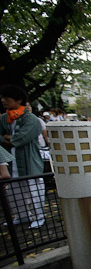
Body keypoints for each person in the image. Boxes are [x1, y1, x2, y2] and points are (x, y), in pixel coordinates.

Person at [0, 85, 45, 228]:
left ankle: (39, 216)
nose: (3, 101)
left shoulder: (31, 119)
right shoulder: (4, 118)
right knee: (14, 192)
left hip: (29, 161)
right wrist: (6, 138)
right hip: (11, 162)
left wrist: (7, 138)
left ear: (18, 100)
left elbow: (19, 139)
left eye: (7, 98)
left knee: (34, 189)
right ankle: (22, 216)